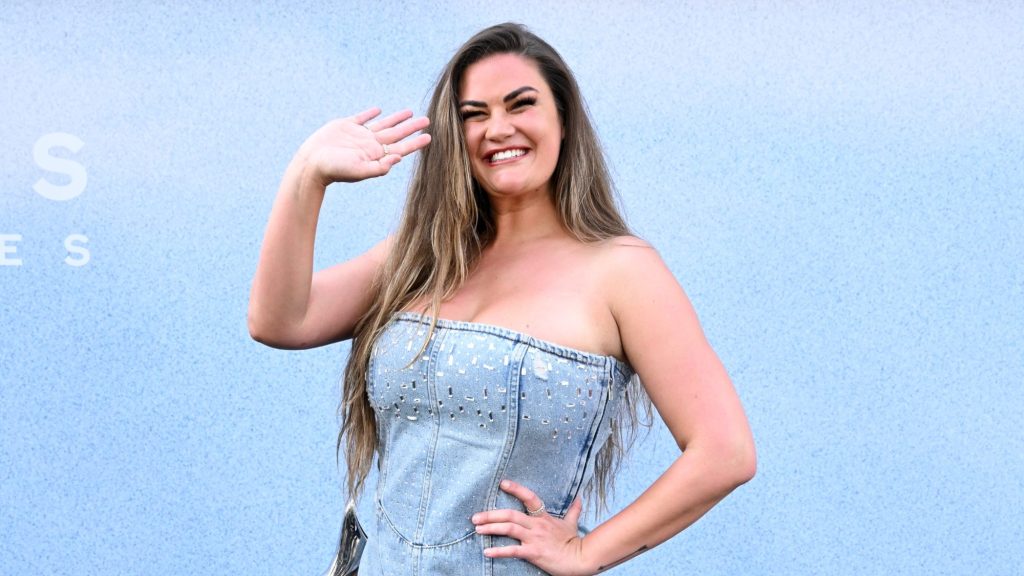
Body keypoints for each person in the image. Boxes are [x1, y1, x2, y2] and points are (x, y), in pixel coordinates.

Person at [248, 22, 756, 576]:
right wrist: (306, 176)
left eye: (521, 105)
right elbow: (280, 321)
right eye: (474, 114)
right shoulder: (422, 257)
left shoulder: (622, 271)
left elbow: (724, 451)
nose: (498, 129)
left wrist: (586, 551)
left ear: (563, 119)